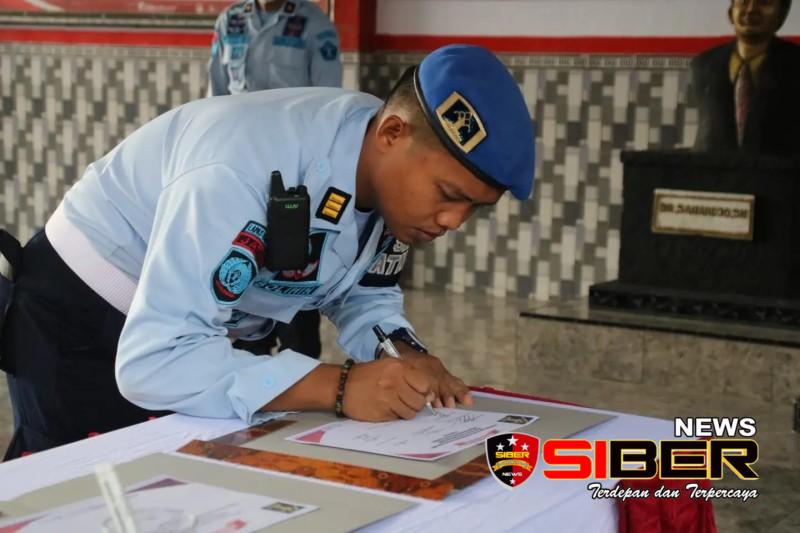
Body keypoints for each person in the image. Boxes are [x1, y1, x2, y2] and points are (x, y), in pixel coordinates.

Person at [0, 44, 536, 460]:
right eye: (448, 195)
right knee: (78, 496)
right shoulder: (238, 169)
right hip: (85, 316)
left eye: (474, 208)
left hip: (205, 332)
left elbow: (362, 290)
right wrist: (340, 386)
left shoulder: (383, 170)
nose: (452, 221)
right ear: (393, 133)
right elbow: (155, 360)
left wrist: (399, 350)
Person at [207, 0, 344, 358]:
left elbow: (330, 105)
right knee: (242, 260)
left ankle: (300, 364)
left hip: (294, 174)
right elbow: (214, 99)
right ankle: (249, 357)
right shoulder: (230, 21)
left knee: (293, 270)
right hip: (239, 170)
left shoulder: (314, 24)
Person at [691, 0, 800, 156]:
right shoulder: (703, 65)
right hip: (712, 170)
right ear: (731, 13)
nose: (750, 10)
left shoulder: (795, 63)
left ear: (781, 15)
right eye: (743, 2)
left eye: (764, 3)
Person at [207, 0, 342, 96]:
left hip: (291, 126)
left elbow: (328, 96)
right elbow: (216, 91)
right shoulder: (230, 19)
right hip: (239, 124)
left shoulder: (315, 22)